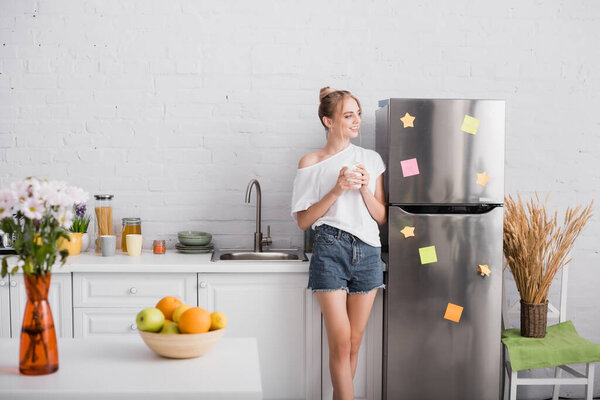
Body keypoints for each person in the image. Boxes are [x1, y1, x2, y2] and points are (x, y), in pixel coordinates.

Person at [291, 87, 386, 400]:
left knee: (354, 343)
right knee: (341, 342)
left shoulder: (371, 159)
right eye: (348, 115)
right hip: (330, 249)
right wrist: (336, 189)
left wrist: (363, 190)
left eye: (358, 114)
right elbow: (304, 220)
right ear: (327, 121)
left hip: (369, 252)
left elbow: (381, 216)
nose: (357, 121)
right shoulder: (311, 161)